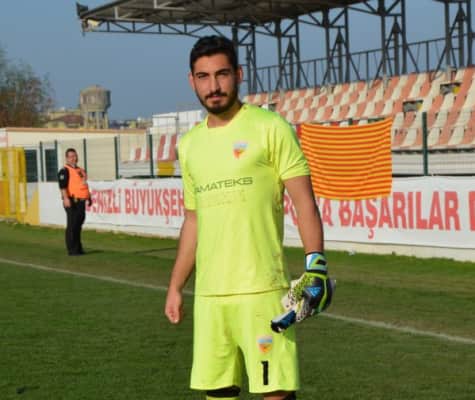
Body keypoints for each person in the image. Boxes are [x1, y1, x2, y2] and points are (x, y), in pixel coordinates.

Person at [165, 35, 328, 400]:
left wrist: (315, 266)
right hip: (210, 295)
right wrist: (176, 286)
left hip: (263, 290)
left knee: (275, 393)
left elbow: (304, 202)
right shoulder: (189, 145)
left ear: (238, 75)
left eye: (221, 74)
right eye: (203, 77)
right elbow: (193, 221)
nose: (213, 86)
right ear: (192, 81)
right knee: (217, 392)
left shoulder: (271, 127)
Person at [57, 148, 91, 256]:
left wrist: (89, 197)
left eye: (75, 156)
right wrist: (65, 198)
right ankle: (72, 249)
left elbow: (84, 185)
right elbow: (62, 186)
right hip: (72, 200)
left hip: (81, 201)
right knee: (72, 226)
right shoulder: (64, 170)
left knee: (78, 225)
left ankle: (78, 248)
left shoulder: (81, 170)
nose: (73, 158)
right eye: (71, 156)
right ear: (67, 158)